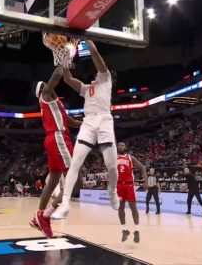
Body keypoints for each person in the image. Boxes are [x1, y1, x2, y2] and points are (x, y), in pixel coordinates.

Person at [53, 40, 119, 219]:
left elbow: (97, 59)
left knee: (112, 167)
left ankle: (112, 190)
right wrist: (64, 61)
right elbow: (67, 79)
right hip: (88, 122)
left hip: (104, 120)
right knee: (75, 163)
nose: (96, 72)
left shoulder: (106, 79)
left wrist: (88, 41)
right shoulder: (87, 88)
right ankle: (65, 203)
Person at [30, 66, 81, 237]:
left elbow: (72, 122)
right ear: (43, 90)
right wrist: (64, 58)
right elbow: (58, 74)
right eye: (46, 84)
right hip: (59, 138)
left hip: (54, 139)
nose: (49, 84)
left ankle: (39, 215)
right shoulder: (45, 97)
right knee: (77, 180)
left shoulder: (55, 103)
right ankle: (46, 215)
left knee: (53, 179)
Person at [116, 142, 147, 243]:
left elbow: (142, 167)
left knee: (133, 207)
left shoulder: (130, 158)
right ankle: (124, 230)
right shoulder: (113, 158)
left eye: (122, 145)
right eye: (119, 145)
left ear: (126, 147)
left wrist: (146, 181)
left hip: (129, 185)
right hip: (119, 185)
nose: (120, 146)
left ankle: (137, 230)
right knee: (120, 207)